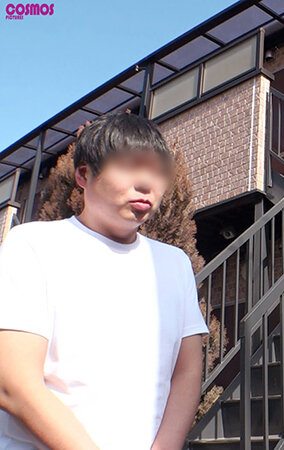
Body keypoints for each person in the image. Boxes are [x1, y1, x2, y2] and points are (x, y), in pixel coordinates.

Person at [0, 112, 209, 449]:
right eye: (129, 166)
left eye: (158, 172)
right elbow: (13, 383)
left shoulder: (174, 263)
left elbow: (186, 372)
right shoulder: (33, 244)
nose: (147, 184)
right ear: (84, 174)